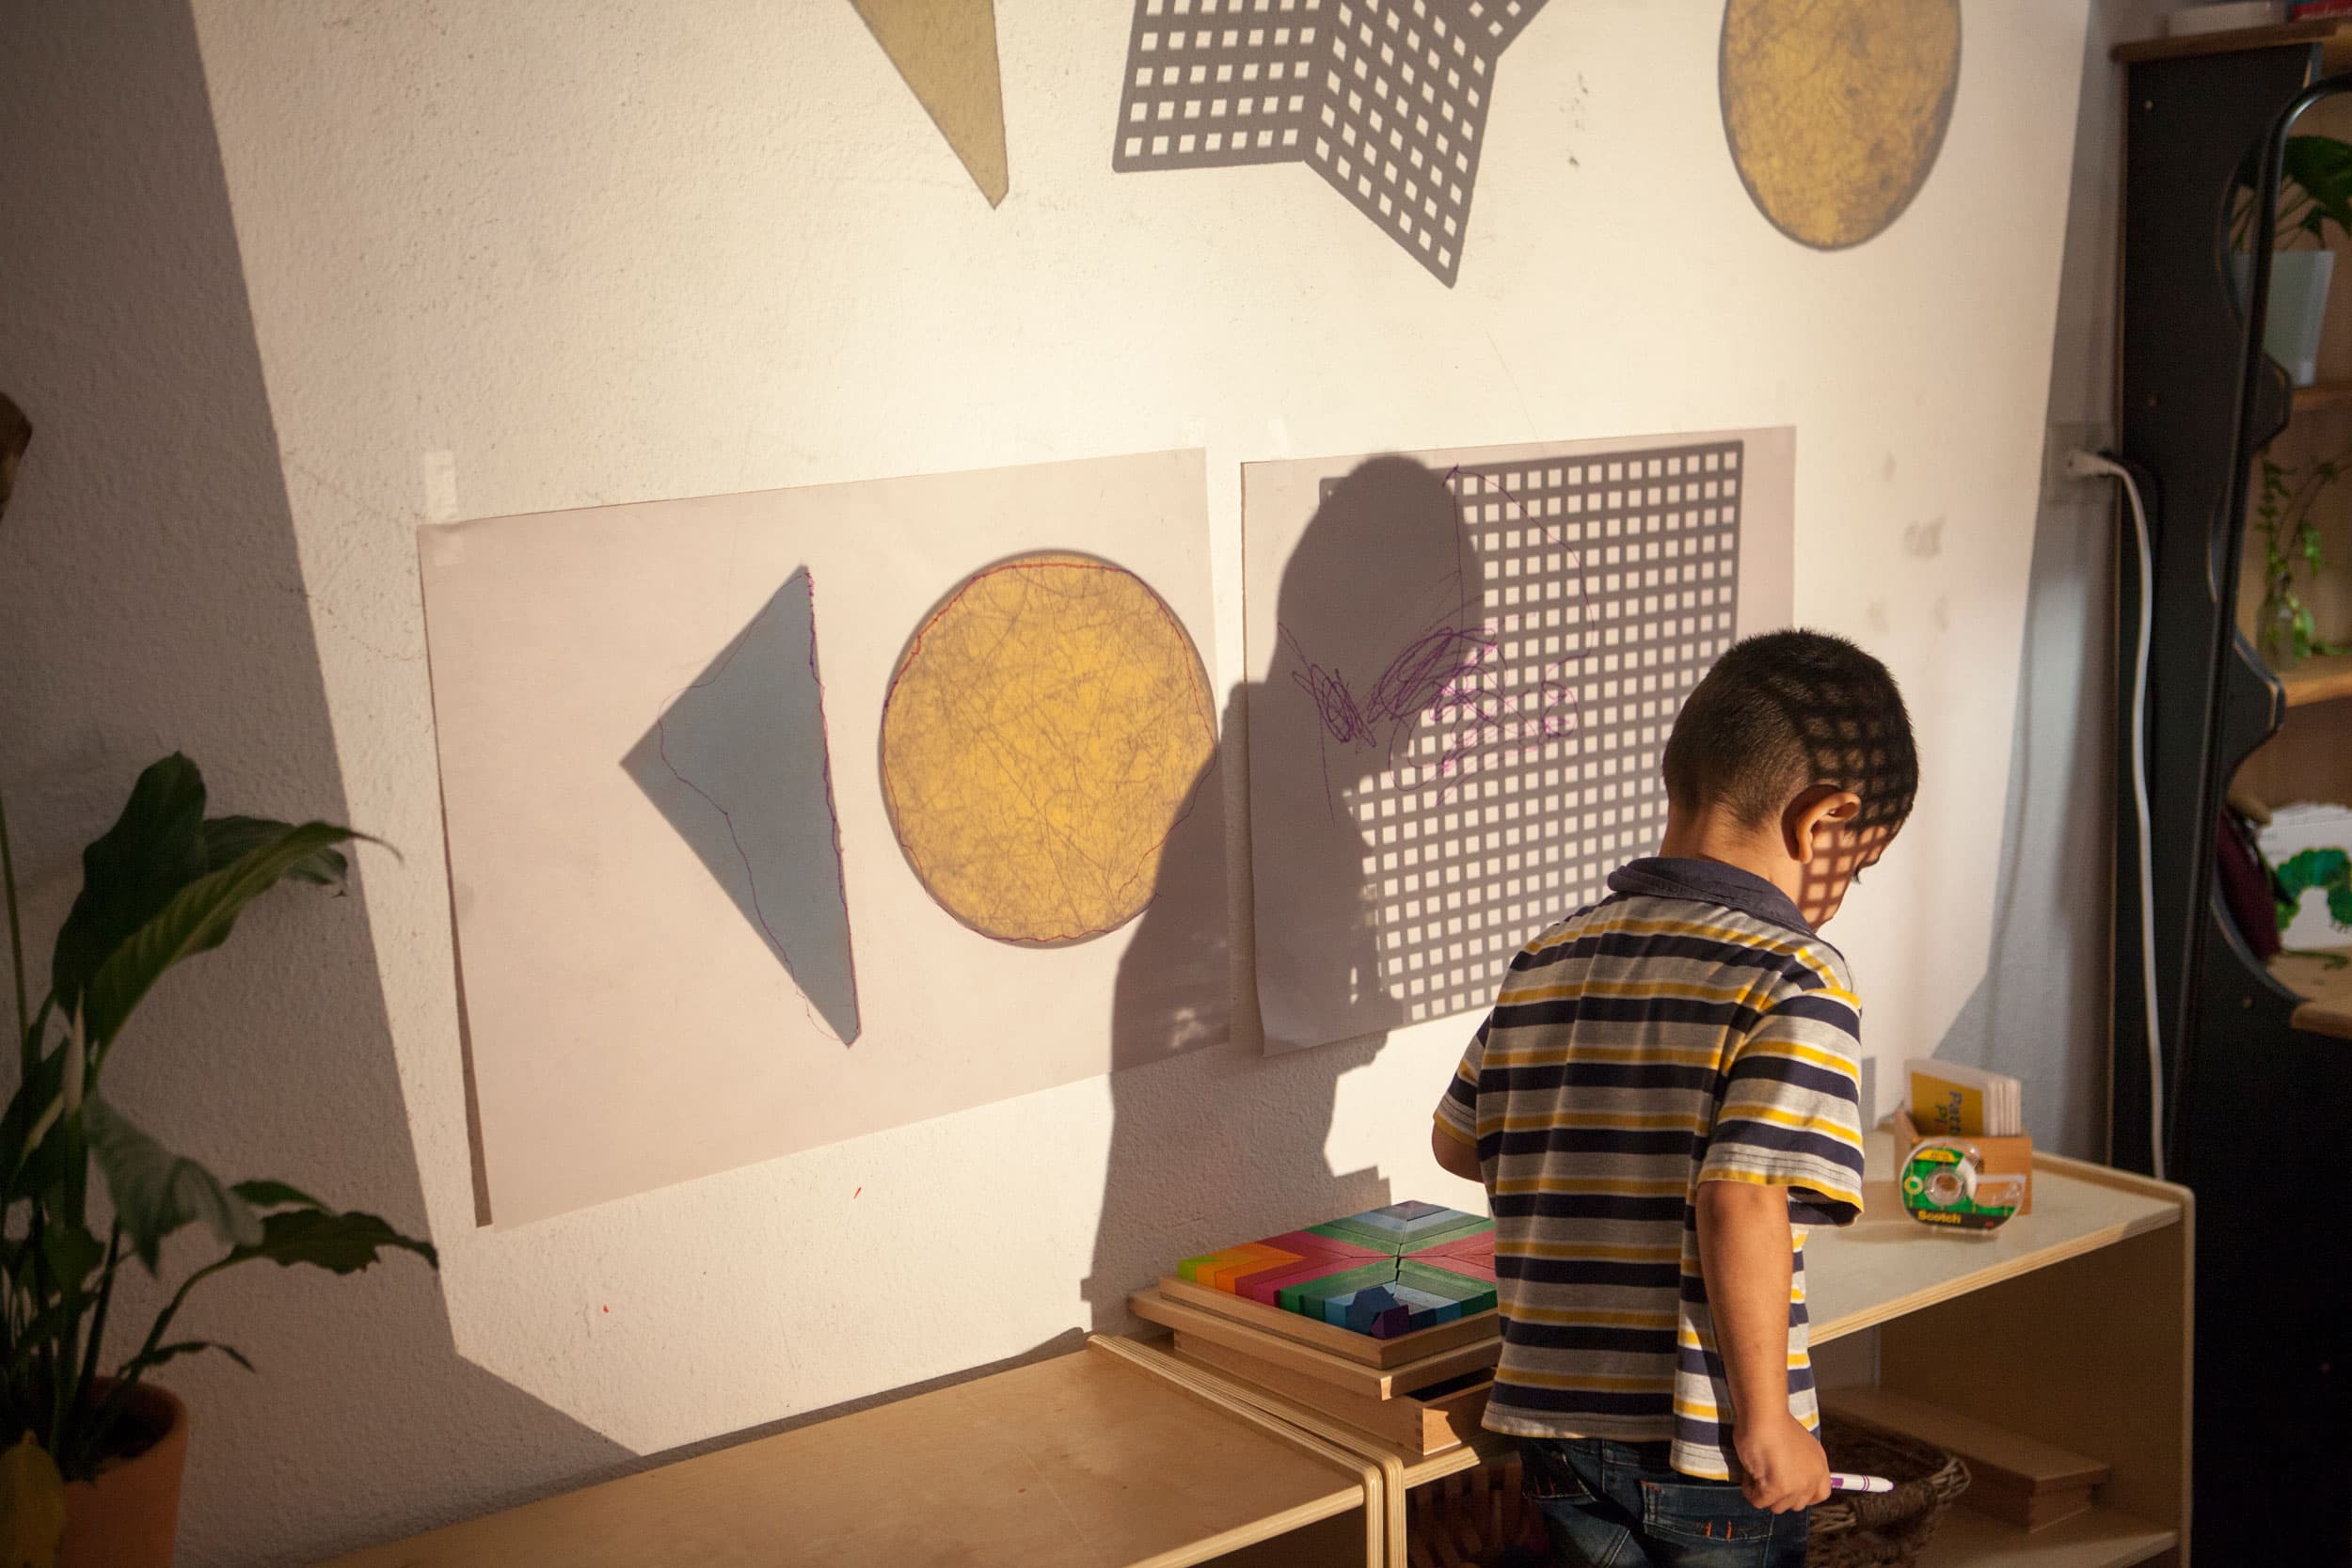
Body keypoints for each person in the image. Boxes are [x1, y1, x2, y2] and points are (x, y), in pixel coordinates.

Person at [1430, 628, 1918, 1567]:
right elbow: (1742, 1195)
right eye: (1853, 868)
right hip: (1704, 1442)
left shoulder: (1553, 952)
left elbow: (1460, 1141)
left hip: (1554, 1428)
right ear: (1824, 823)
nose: (1841, 892)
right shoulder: (1796, 977)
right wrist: (1770, 1416)